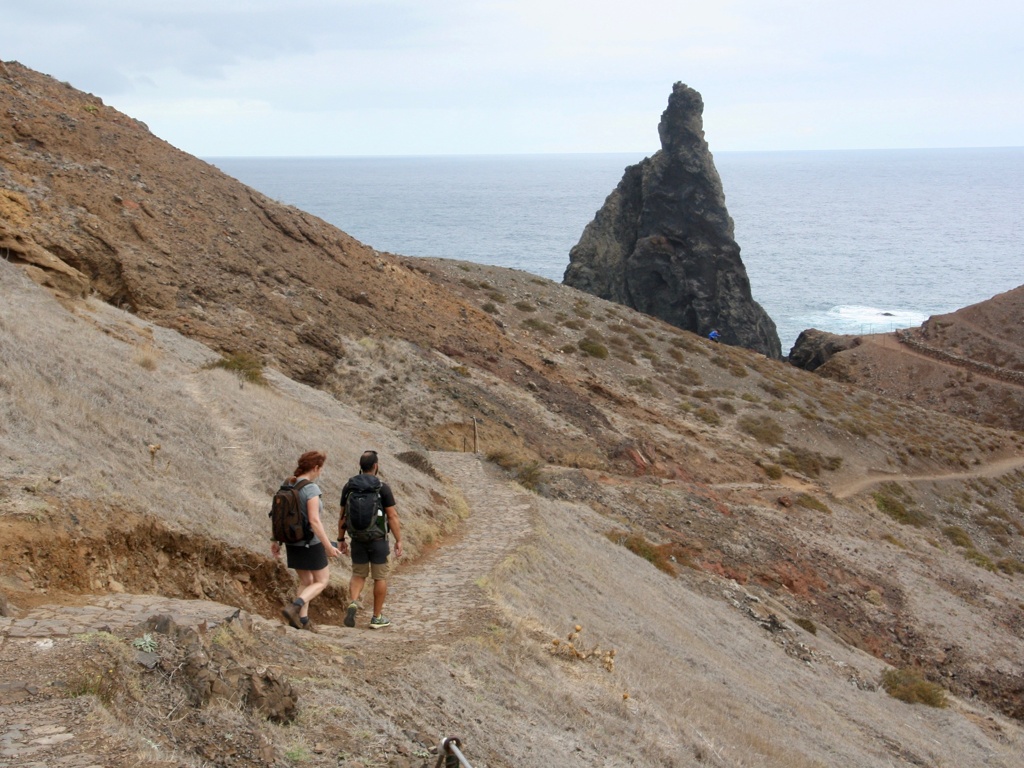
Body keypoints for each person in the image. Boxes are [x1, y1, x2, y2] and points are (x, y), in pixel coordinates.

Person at [272, 450, 342, 630]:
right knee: (322, 580)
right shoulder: (311, 489)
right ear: (316, 467)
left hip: (292, 542)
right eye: (321, 468)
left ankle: (301, 621)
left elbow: (278, 516)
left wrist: (275, 540)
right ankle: (296, 606)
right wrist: (328, 546)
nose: (321, 472)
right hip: (310, 543)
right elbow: (314, 521)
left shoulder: (287, 484)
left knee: (306, 581)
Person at [337, 450, 403, 629]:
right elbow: (392, 516)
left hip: (357, 539)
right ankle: (376, 617)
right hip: (378, 540)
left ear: (361, 466)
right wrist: (398, 540)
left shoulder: (349, 487)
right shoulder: (382, 487)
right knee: (379, 577)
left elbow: (342, 516)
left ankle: (353, 601)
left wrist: (341, 539)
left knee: (358, 574)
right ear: (376, 466)